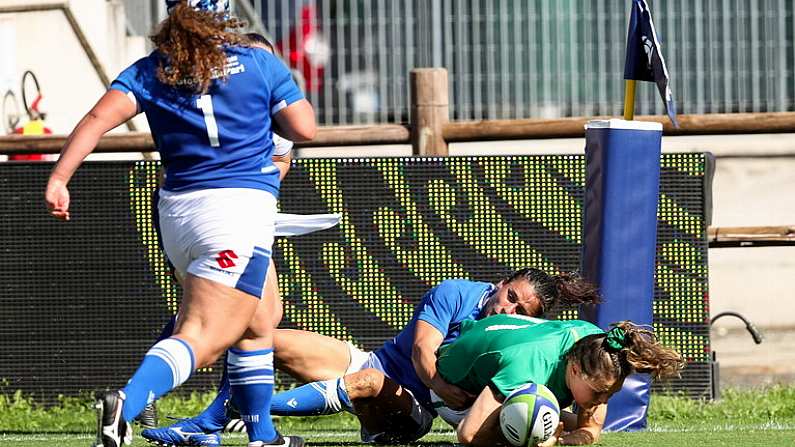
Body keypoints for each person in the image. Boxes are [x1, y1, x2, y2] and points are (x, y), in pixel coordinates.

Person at [44, 1, 316, 447]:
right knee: (204, 339)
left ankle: (263, 437)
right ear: (226, 13)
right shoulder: (258, 61)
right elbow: (304, 129)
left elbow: (96, 120)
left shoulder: (152, 69)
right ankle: (125, 403)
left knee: (256, 321)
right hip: (236, 211)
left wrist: (59, 178)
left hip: (178, 214)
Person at [143, 268, 601, 446]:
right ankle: (210, 424)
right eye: (513, 297)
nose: (511, 309)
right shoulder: (456, 293)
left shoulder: (521, 340)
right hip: (379, 364)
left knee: (367, 383)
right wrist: (439, 379)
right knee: (263, 337)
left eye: (523, 310)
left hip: (417, 406)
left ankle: (222, 422)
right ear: (503, 282)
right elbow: (423, 349)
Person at [433, 314, 684, 446]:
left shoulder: (599, 345)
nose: (602, 402)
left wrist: (562, 439)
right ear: (574, 370)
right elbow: (468, 435)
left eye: (609, 394)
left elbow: (590, 429)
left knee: (550, 422)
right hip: (453, 391)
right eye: (598, 393)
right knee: (530, 425)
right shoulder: (526, 369)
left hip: (505, 361)